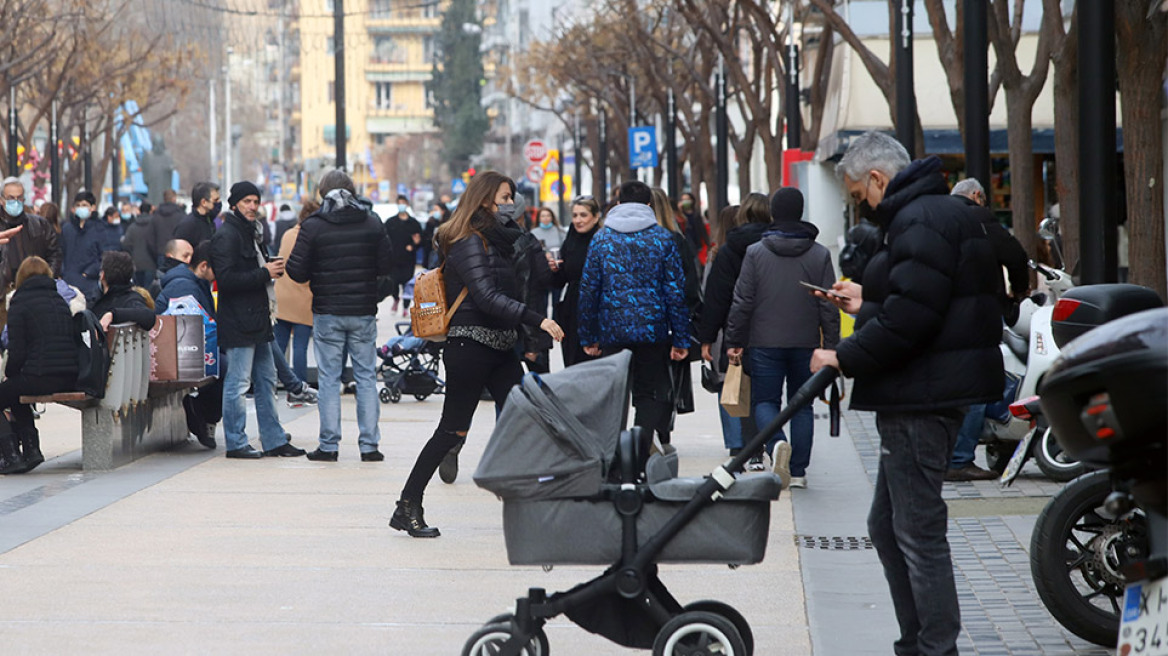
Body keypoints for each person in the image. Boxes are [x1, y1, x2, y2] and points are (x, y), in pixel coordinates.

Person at [809, 131, 1003, 656]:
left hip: (922, 397)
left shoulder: (918, 221)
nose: (862, 205)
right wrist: (867, 298)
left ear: (877, 178)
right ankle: (918, 641)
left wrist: (842, 355)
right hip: (928, 389)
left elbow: (913, 318)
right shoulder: (942, 215)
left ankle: (933, 646)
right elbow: (931, 301)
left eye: (858, 194)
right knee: (889, 526)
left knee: (915, 532)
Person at [391, 171, 563, 538]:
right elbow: (485, 297)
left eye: (512, 197)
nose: (509, 203)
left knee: (526, 418)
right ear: (485, 199)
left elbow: (524, 284)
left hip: (501, 346)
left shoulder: (501, 241)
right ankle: (407, 505)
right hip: (470, 346)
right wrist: (538, 320)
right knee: (451, 430)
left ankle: (526, 504)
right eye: (504, 196)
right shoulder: (469, 241)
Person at [725, 187, 840, 488]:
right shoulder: (819, 254)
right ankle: (799, 471)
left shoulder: (756, 253)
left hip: (764, 340)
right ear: (801, 211)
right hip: (806, 341)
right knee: (802, 405)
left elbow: (743, 300)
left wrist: (734, 340)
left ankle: (776, 444)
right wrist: (832, 346)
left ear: (774, 213)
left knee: (765, 401)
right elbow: (828, 303)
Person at [287, 170, 392, 462]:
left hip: (328, 311)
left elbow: (296, 271)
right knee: (366, 377)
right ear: (353, 191)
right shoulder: (372, 223)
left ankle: (329, 445)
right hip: (363, 312)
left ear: (323, 193)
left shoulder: (314, 226)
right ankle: (370, 446)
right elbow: (386, 265)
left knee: (330, 379)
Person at [578, 180, 689, 445]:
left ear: (617, 204)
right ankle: (640, 448)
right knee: (649, 393)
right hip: (653, 331)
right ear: (649, 205)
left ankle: (615, 451)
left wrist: (587, 336)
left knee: (615, 394)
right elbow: (675, 291)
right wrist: (681, 338)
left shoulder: (601, 239)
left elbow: (588, 290)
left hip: (612, 330)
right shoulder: (663, 238)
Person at [209, 180, 306, 460]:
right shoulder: (227, 235)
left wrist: (269, 270)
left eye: (255, 201)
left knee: (267, 379)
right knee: (238, 383)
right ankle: (236, 442)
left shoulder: (253, 232)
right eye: (246, 201)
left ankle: (274, 440)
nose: (252, 206)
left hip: (258, 319)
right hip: (239, 320)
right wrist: (265, 274)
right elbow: (225, 280)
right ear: (234, 204)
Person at [946, 177, 1032, 482]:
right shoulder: (979, 217)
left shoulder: (940, 217)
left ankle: (947, 453)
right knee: (977, 384)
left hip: (944, 312)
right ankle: (959, 459)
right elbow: (1016, 256)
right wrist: (1019, 292)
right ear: (977, 196)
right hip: (978, 313)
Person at [698, 196, 770, 460]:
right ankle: (771, 443)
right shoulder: (775, 244)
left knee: (738, 388)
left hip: (736, 328)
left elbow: (716, 297)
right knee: (767, 393)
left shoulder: (728, 251)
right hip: (773, 328)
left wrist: (706, 337)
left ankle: (743, 446)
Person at [0, 256, 79, 474]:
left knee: (7, 389)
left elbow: (16, 352)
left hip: (40, 375)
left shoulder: (19, 303)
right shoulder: (60, 300)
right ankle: (32, 451)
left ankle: (10, 456)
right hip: (69, 375)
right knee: (14, 393)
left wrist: (9, 375)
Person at [155, 240, 220, 449]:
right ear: (203, 266)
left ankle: (203, 413)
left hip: (182, 347)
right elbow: (187, 327)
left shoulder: (196, 282)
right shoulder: (185, 285)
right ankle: (202, 413)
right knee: (226, 368)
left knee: (230, 362)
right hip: (175, 351)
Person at [551, 196, 602, 367]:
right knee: (572, 364)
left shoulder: (602, 242)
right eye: (575, 215)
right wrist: (554, 269)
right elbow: (560, 280)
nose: (578, 220)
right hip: (572, 310)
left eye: (583, 215)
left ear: (595, 217)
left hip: (597, 308)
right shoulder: (570, 240)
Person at [275, 201, 317, 384]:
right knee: (300, 346)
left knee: (279, 345)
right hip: (303, 297)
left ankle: (274, 382)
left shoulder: (288, 234)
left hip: (282, 295)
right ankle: (299, 386)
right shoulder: (313, 237)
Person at [0, 177, 62, 294]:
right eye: (11, 198)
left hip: (35, 290)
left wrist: (47, 280)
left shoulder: (39, 224)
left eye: (19, 198)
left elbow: (54, 254)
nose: (16, 201)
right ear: (1, 200)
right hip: (4, 292)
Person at [90, 251, 156, 332]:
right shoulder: (96, 299)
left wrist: (113, 315)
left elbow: (148, 316)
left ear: (102, 275)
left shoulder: (130, 299)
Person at [60, 191, 105, 303]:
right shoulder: (67, 229)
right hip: (68, 284)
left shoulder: (100, 229)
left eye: (84, 205)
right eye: (78, 205)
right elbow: (60, 253)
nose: (81, 208)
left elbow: (104, 256)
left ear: (93, 207)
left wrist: (90, 272)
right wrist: (62, 272)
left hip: (90, 285)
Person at [383, 196, 422, 316]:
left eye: (403, 203)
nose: (401, 205)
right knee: (394, 282)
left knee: (407, 283)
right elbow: (384, 239)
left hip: (408, 259)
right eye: (399, 203)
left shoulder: (414, 223)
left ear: (407, 205)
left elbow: (421, 240)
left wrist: (414, 245)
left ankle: (405, 307)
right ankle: (395, 298)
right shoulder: (390, 222)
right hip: (393, 258)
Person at [174, 182, 221, 250]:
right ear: (204, 202)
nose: (219, 202)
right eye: (215, 200)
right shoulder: (187, 226)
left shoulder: (209, 221)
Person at [122, 201, 156, 286]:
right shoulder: (154, 226)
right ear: (150, 211)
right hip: (151, 263)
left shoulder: (132, 226)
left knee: (138, 289)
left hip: (137, 263)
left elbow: (126, 244)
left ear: (140, 211)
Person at [149, 189, 186, 267]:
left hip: (161, 253)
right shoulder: (181, 215)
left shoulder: (155, 216)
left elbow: (150, 238)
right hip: (177, 253)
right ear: (174, 198)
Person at [679, 191, 708, 266]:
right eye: (683, 200)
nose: (685, 202)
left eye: (687, 199)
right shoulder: (680, 216)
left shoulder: (696, 215)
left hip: (696, 245)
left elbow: (702, 231)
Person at [420, 201, 449, 268]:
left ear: (443, 211)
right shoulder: (430, 223)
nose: (434, 212)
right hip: (432, 252)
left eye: (436, 210)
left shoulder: (448, 224)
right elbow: (425, 237)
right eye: (434, 210)